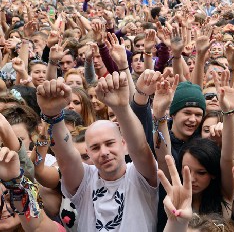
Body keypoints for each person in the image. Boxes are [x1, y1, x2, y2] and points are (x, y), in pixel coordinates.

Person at [36, 75, 158, 231]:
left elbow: (140, 147)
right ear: (88, 152)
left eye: (110, 143)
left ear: (124, 144)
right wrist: (52, 115)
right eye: (95, 147)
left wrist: (122, 108)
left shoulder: (140, 175)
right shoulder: (85, 180)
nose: (104, 152)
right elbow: (66, 157)